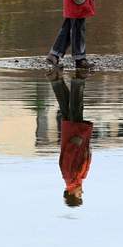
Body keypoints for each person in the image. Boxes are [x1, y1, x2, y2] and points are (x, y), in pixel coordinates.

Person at [47, 68, 93, 207]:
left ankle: (78, 79)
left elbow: (68, 156)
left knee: (75, 107)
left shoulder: (70, 177)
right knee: (67, 107)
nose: (82, 193)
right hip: (75, 136)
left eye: (79, 195)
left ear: (72, 194)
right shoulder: (76, 179)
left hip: (74, 135)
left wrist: (77, 141)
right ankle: (55, 79)